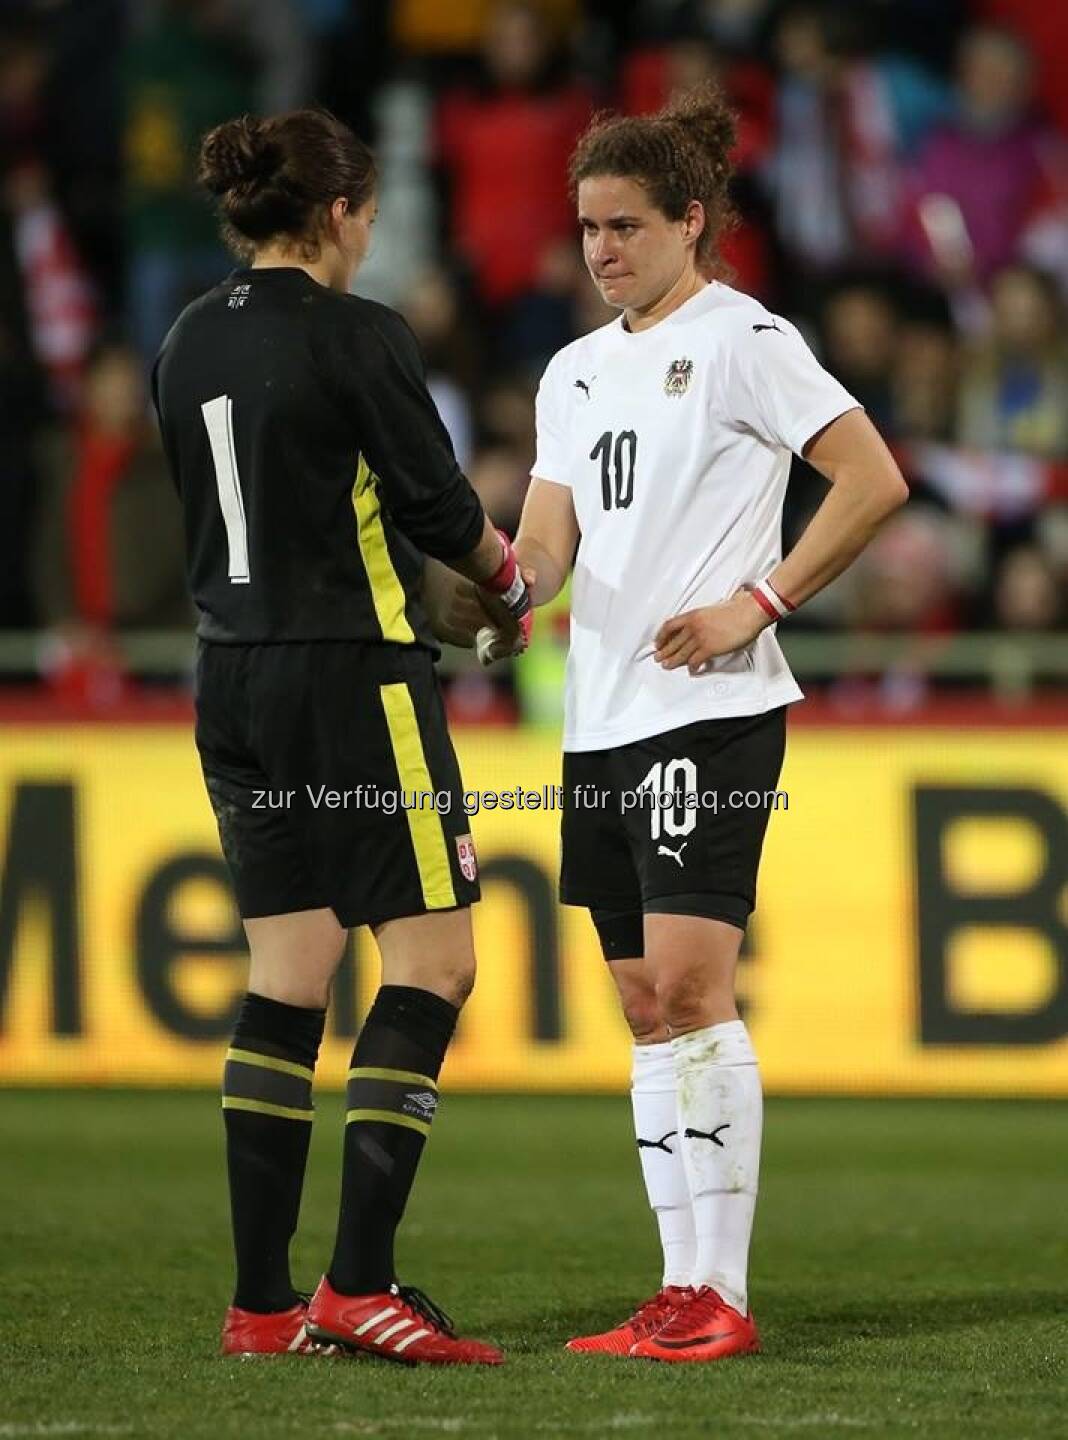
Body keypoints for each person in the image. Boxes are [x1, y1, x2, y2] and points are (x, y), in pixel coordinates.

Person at [511, 82, 908, 1362]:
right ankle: (678, 1286)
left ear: (691, 220)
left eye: (625, 225)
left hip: (708, 712)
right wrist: (502, 591)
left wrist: (761, 601)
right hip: (600, 719)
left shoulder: (745, 339)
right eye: (588, 227)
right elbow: (546, 545)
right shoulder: (574, 371)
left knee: (691, 986)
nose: (601, 249)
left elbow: (872, 477)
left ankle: (722, 1297)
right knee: (645, 1007)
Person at [151, 108, 530, 1364]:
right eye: (365, 215)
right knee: (433, 965)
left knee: (288, 973)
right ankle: (359, 1284)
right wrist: (511, 589)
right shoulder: (358, 331)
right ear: (336, 214)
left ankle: (262, 1307)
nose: (368, 237)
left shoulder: (185, 338)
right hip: (351, 682)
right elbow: (437, 505)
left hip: (231, 678)